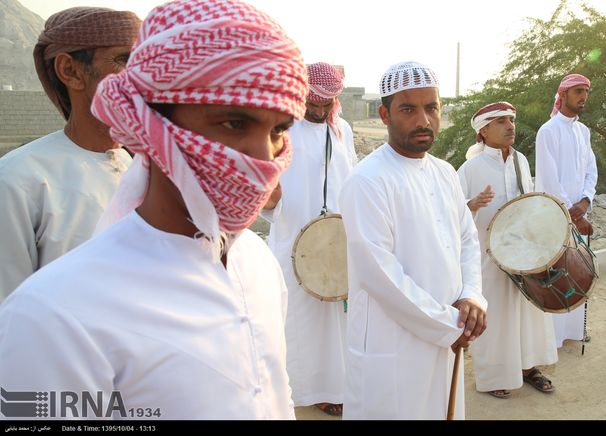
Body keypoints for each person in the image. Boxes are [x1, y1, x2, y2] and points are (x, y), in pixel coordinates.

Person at [0, 0, 308, 419]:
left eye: (279, 130)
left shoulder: (257, 265)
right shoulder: (55, 317)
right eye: (234, 123)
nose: (264, 158)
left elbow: (274, 394)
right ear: (152, 120)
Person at [338, 61, 487, 420]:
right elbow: (380, 275)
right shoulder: (368, 180)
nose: (423, 120)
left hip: (448, 330)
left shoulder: (445, 172)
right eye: (408, 109)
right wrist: (448, 325)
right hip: (394, 343)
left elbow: (467, 239)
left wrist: (471, 296)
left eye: (431, 107)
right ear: (385, 114)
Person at [0, 7, 141, 301]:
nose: (142, 77)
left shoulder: (145, 171)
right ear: (71, 71)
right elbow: (10, 310)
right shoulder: (18, 180)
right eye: (125, 60)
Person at [263, 62, 356, 417]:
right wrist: (272, 201)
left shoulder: (342, 130)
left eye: (326, 105)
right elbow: (272, 185)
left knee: (339, 320)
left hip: (337, 241)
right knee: (303, 322)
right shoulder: (283, 130)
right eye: (312, 104)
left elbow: (351, 177)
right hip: (294, 240)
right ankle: (312, 389)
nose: (318, 112)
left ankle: (340, 385)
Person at [458, 102, 558, 399]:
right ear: (484, 131)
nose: (510, 126)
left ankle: (528, 369)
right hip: (488, 257)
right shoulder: (470, 169)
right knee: (497, 317)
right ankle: (493, 377)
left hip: (523, 254)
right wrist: (471, 206)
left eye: (512, 120)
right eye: (501, 121)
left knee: (529, 315)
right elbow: (449, 216)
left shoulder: (521, 162)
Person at [535, 74, 597, 347]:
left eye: (585, 91)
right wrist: (572, 215)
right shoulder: (548, 130)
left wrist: (585, 201)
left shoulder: (583, 132)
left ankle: (574, 331)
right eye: (577, 91)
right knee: (559, 275)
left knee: (579, 271)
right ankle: (554, 338)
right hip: (556, 217)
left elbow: (590, 171)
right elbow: (548, 178)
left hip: (579, 215)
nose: (583, 96)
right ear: (563, 95)